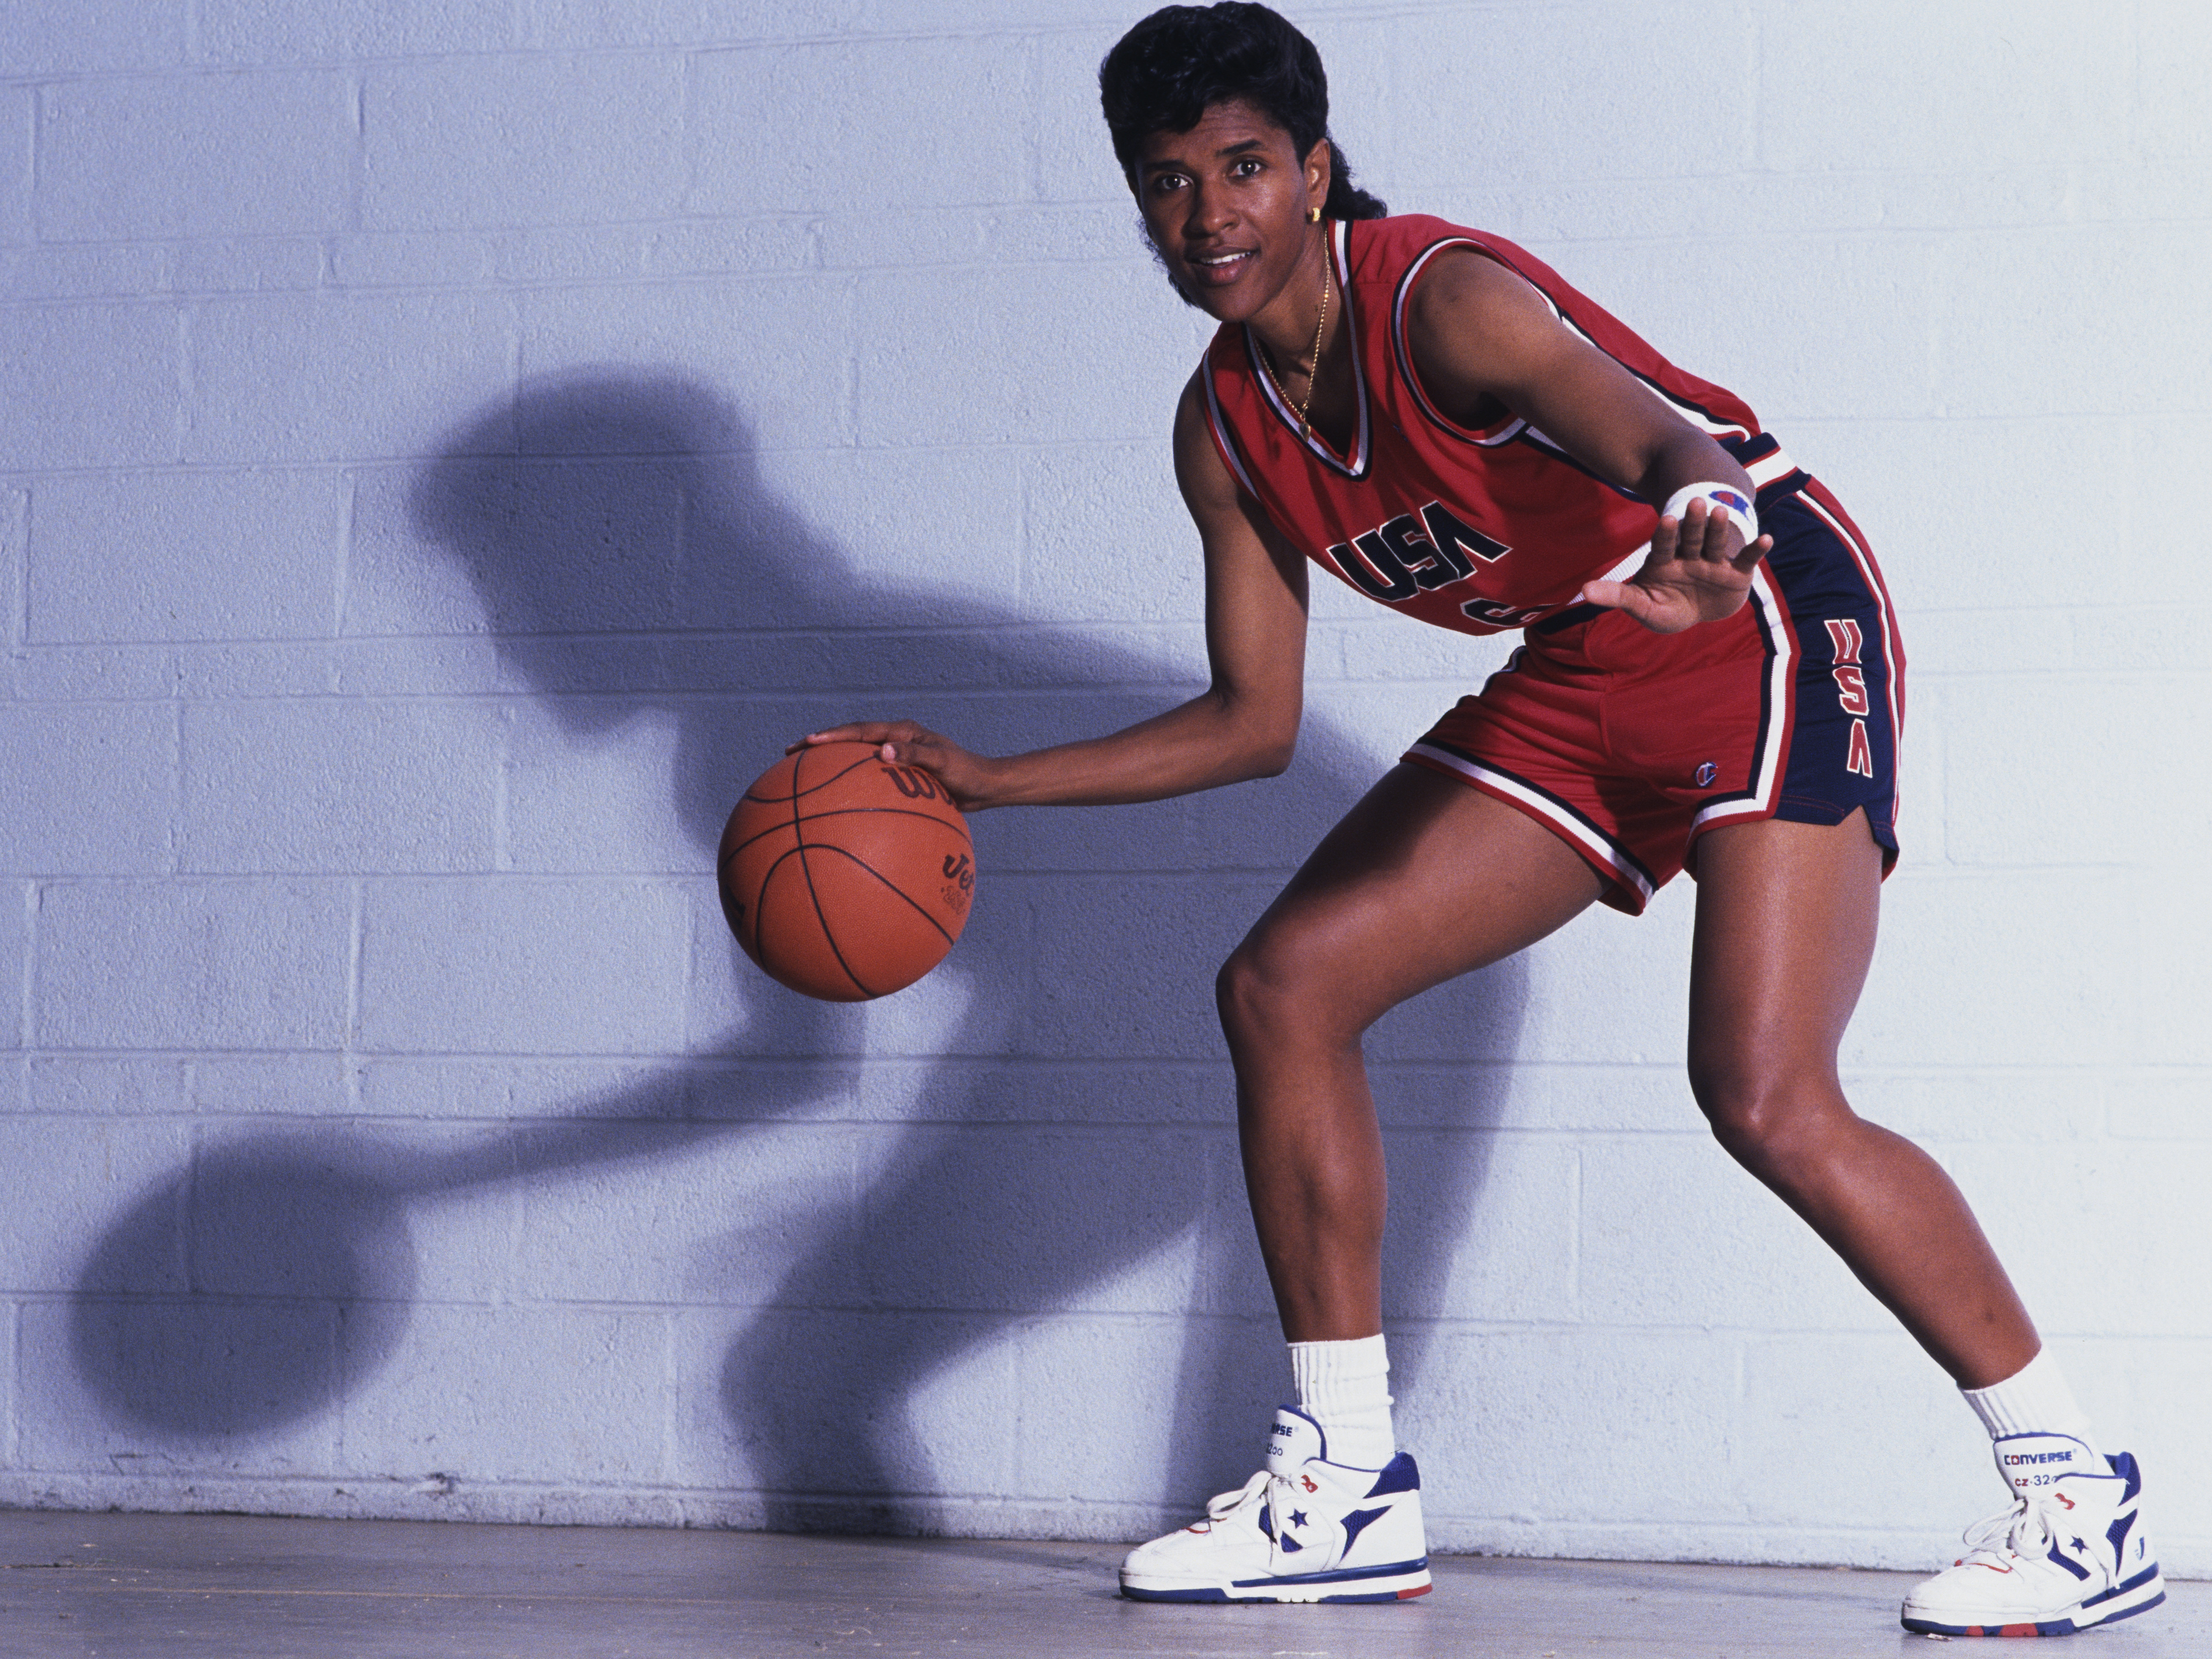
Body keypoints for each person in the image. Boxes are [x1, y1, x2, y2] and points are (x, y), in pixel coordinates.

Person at [801, 3, 2160, 1637]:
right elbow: (1254, 720)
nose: (1209, 214)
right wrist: (988, 782)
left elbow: (1668, 439)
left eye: (1243, 167)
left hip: (1761, 603)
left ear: (1315, 171)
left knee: (1766, 1091)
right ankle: (1348, 1487)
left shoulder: (1442, 300)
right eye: (1167, 183)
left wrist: (1707, 521)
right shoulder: (1225, 429)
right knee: (1284, 985)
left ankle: (2079, 1493)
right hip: (1593, 653)